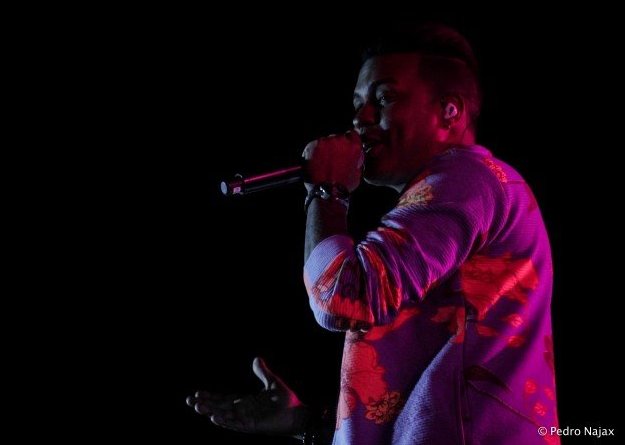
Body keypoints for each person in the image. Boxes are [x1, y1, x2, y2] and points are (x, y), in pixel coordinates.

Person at [187, 23, 559, 444]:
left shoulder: (467, 178)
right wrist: (309, 424)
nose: (360, 118)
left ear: (449, 111)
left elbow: (344, 297)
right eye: (357, 104)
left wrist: (328, 191)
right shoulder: (457, 191)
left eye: (384, 99)